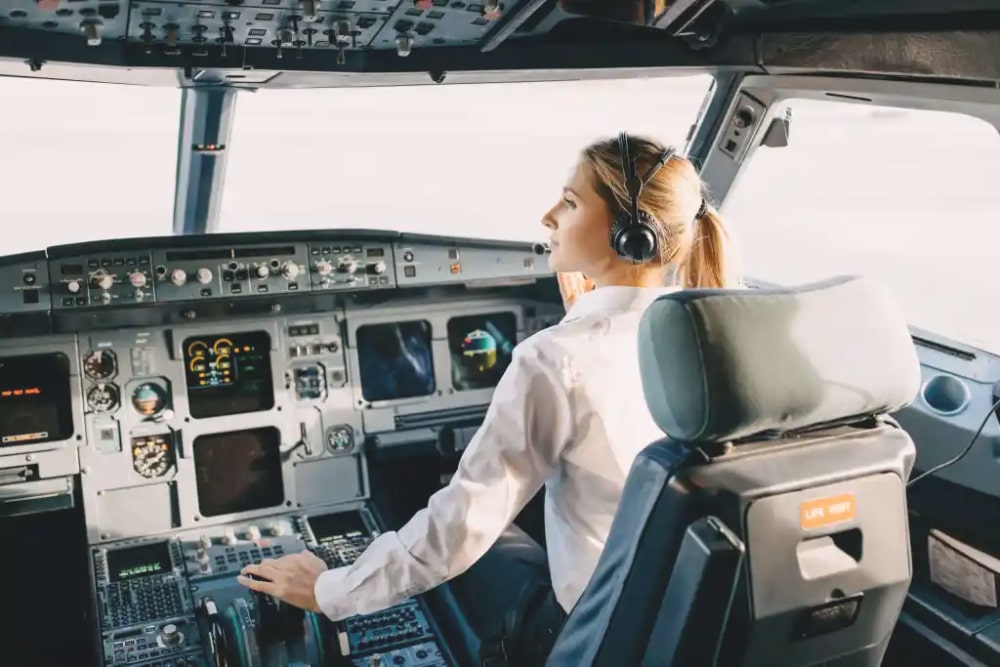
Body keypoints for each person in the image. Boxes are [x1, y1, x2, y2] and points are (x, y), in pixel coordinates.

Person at [237, 133, 738, 663]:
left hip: (595, 633)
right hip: (688, 616)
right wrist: (589, 309)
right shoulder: (718, 333)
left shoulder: (558, 357)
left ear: (628, 233)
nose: (548, 217)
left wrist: (329, 590)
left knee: (464, 532)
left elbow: (462, 526)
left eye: (570, 202)